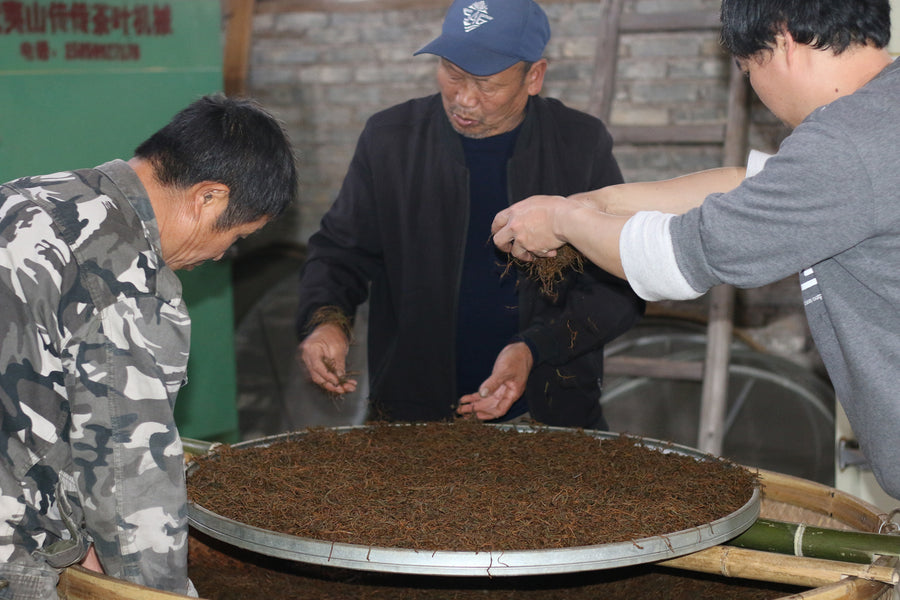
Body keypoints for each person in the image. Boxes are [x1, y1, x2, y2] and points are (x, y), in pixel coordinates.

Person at [492, 0, 900, 499]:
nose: (756, 89)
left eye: (748, 69)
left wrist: (562, 221)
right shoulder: (880, 114)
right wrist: (592, 203)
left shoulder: (846, 143)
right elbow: (750, 186)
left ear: (783, 41)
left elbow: (672, 259)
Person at [0, 94, 298, 598]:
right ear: (209, 197)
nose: (224, 253)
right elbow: (130, 481)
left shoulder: (26, 198)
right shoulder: (123, 278)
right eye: (239, 235)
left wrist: (72, 539)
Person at [296, 0, 644, 427]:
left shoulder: (579, 145)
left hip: (549, 414)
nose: (464, 98)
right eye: (452, 74)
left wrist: (535, 348)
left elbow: (618, 284)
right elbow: (340, 252)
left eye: (486, 84)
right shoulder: (390, 140)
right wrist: (326, 320)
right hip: (412, 416)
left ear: (534, 77)